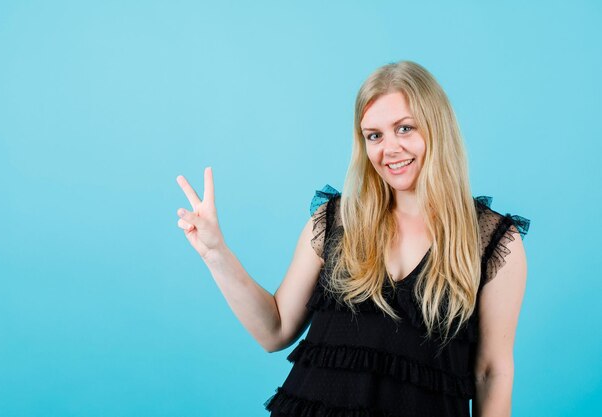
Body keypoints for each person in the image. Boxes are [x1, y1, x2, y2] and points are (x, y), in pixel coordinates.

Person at [175, 60, 530, 417]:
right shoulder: (335, 221)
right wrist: (215, 252)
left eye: (405, 129)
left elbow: (491, 372)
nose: (388, 149)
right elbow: (275, 329)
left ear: (437, 129)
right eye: (374, 135)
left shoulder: (493, 242)